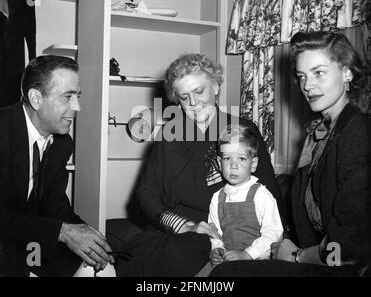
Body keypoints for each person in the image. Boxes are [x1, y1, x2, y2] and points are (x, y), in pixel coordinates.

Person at [211, 31, 371, 277]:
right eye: (302, 76)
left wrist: (298, 257)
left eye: (319, 73)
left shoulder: (359, 134)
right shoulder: (320, 133)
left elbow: (350, 246)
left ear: (347, 73)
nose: (308, 86)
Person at [112, 53, 285, 276]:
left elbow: (270, 194)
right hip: (177, 231)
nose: (193, 103)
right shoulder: (169, 136)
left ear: (215, 87)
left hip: (230, 234)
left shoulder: (243, 130)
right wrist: (183, 226)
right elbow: (146, 195)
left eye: (199, 91)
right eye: (184, 97)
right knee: (132, 260)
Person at [0, 55, 115, 277]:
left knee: (100, 269)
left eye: (78, 96)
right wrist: (63, 232)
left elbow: (54, 205)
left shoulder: (63, 143)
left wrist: (90, 237)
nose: (78, 107)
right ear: (35, 98)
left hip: (28, 240)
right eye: (68, 97)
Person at [196, 124, 283, 277]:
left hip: (258, 260)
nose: (233, 166)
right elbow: (214, 232)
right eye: (227, 158)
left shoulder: (262, 195)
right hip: (228, 260)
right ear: (219, 162)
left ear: (253, 164)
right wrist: (217, 249)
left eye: (241, 158)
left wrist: (247, 254)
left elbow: (273, 234)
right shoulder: (217, 198)